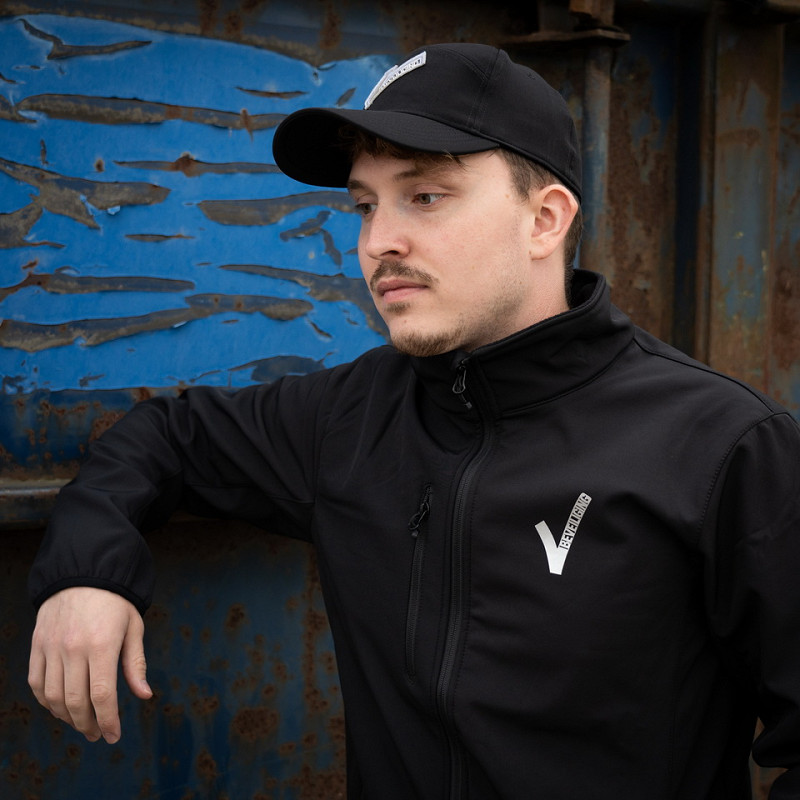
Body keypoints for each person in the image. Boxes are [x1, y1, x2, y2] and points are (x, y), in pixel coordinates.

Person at [27, 42, 800, 799]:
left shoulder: (722, 445)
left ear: (544, 219)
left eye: (424, 196)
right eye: (366, 205)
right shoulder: (348, 418)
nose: (377, 243)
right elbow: (164, 439)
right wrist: (88, 572)